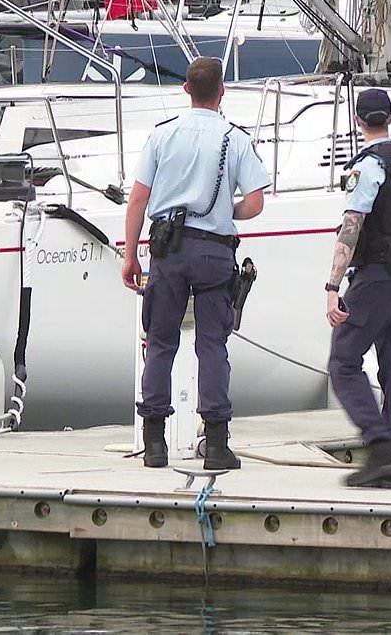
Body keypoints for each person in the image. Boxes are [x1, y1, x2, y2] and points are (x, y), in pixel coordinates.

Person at [122, 56, 268, 470]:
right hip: (214, 252)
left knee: (161, 342)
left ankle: (154, 444)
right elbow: (255, 203)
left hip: (168, 250)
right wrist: (226, 211)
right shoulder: (235, 139)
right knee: (212, 346)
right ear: (222, 91)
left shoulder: (162, 136)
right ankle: (217, 444)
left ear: (186, 89)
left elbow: (138, 199)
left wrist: (131, 254)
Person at [325, 88, 391, 489]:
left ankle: (380, 445)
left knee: (344, 360)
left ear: (357, 121)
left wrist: (332, 285)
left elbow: (352, 226)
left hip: (380, 274)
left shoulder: (367, 167)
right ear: (390, 117)